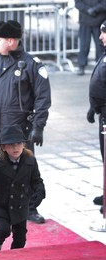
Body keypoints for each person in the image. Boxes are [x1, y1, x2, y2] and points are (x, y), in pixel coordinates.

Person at [0, 20, 51, 225]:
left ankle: (30, 208)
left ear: (11, 41)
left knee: (25, 169)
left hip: (19, 130)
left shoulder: (31, 65)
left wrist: (38, 127)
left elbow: (43, 98)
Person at [0, 124, 45, 251]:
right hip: (1, 204)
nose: (15, 148)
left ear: (23, 144)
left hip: (20, 204)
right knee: (4, 230)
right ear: (4, 147)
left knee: (20, 239)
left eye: (18, 144)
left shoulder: (30, 160)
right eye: (11, 145)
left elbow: (36, 180)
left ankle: (14, 258)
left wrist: (40, 191)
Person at [86, 19, 106, 211]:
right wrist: (94, 106)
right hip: (103, 114)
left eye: (103, 33)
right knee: (104, 156)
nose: (100, 36)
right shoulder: (104, 54)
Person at [74, 0, 106, 75]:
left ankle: (101, 67)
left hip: (99, 21)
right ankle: (81, 66)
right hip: (85, 21)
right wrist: (87, 10)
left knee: (100, 46)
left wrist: (95, 9)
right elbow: (78, 3)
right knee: (84, 46)